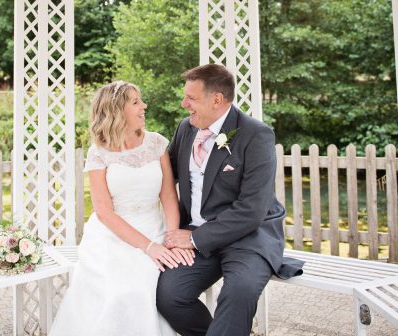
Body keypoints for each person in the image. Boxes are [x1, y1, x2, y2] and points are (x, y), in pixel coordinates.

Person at [157, 64, 304, 336]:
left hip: (249, 236)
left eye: (191, 98)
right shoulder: (185, 129)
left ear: (217, 100)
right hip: (197, 235)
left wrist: (191, 239)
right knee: (170, 295)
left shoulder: (256, 135)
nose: (183, 104)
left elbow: (252, 210)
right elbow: (164, 178)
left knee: (239, 292)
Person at [50, 80, 194, 336]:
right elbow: (104, 212)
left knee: (148, 287)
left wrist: (170, 238)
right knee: (120, 292)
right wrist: (148, 247)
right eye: (136, 102)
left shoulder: (156, 143)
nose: (144, 106)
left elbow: (170, 197)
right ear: (116, 110)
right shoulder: (98, 153)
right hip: (112, 237)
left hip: (156, 228)